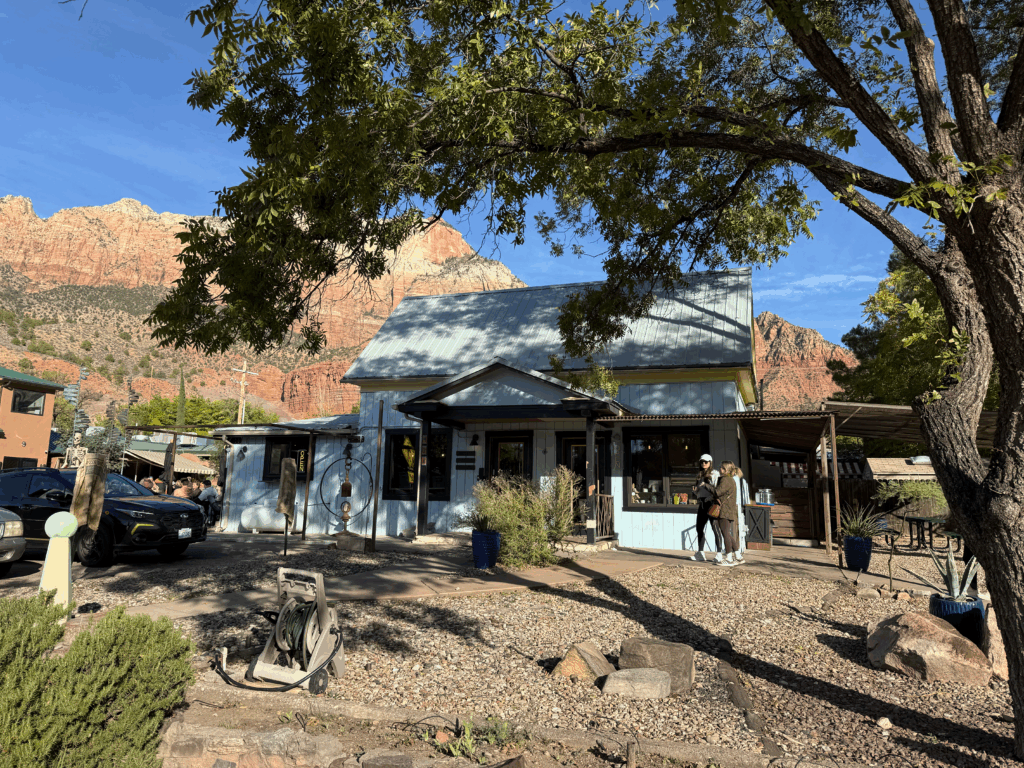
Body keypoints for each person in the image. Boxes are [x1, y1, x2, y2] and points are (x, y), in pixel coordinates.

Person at [690, 454, 722, 562]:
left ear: (710, 463)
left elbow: (717, 490)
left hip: (711, 503)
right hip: (702, 503)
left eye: (706, 462)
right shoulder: (699, 475)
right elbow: (699, 491)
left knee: (715, 527)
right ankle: (701, 552)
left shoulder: (714, 474)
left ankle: (719, 553)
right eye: (702, 462)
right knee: (699, 528)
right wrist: (695, 492)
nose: (704, 464)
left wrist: (707, 491)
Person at [715, 460, 744, 566]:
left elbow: (717, 492)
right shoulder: (730, 479)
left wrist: (706, 486)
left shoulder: (726, 480)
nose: (719, 469)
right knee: (727, 533)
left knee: (725, 534)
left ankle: (729, 558)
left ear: (725, 470)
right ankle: (738, 556)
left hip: (725, 510)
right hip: (729, 509)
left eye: (721, 467)